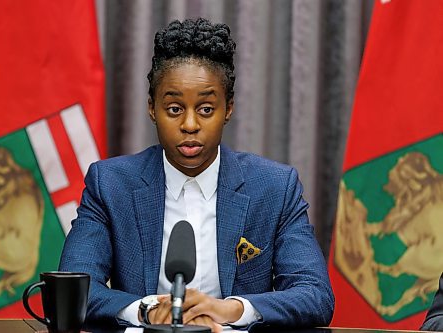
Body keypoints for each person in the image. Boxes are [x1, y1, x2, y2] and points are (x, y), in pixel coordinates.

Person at [59, 17, 334, 332]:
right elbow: (74, 288)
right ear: (152, 108)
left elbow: (315, 295)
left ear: (228, 109)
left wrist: (230, 309)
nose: (190, 125)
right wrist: (147, 310)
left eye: (205, 109)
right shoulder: (110, 184)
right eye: (175, 109)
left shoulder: (273, 187)